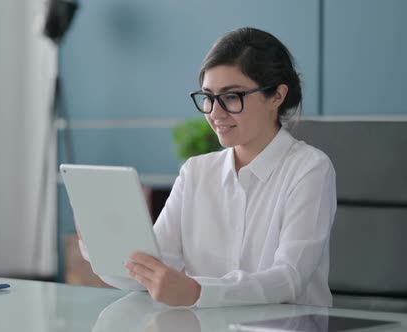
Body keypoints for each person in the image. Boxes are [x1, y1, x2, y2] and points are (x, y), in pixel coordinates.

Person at [76, 27, 336, 308]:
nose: (215, 112)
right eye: (208, 97)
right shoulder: (195, 172)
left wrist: (199, 292)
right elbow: (154, 271)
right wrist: (101, 246)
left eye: (232, 96)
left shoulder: (310, 169)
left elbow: (289, 278)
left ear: (276, 96)